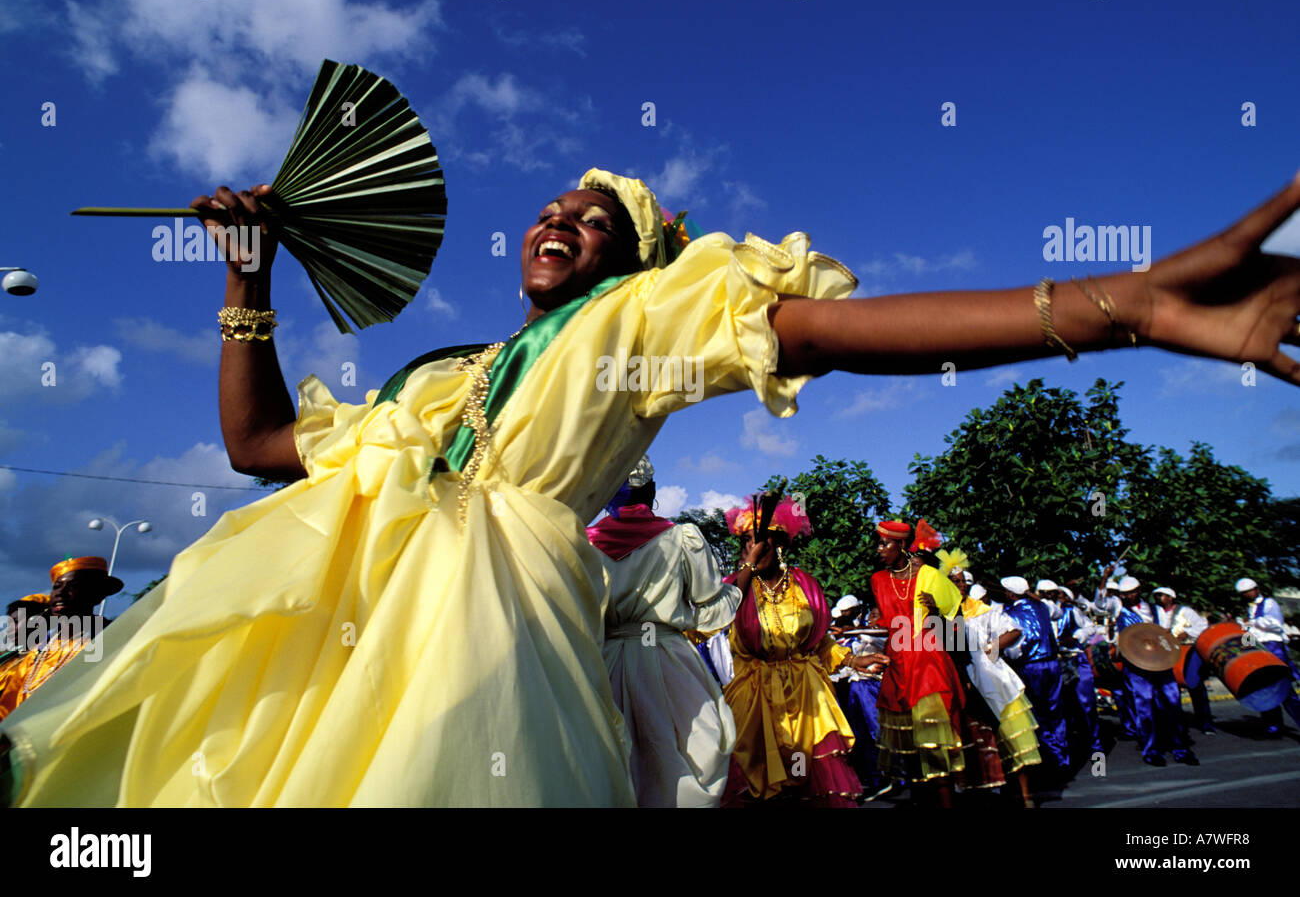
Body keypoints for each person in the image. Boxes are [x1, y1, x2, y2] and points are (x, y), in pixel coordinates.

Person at [4, 163, 1300, 807]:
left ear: (634, 260)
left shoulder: (627, 332)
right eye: (551, 205)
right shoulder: (439, 385)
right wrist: (245, 276)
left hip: (486, 671)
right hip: (328, 668)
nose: (559, 218)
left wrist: (1112, 304)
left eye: (597, 217)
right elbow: (255, 448)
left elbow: (835, 334)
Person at [586, 456, 741, 807]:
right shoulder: (681, 537)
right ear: (652, 491)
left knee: (615, 756)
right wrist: (742, 576)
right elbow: (708, 609)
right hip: (667, 657)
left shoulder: (586, 544)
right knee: (687, 751)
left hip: (605, 660)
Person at [720, 498, 874, 807]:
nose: (753, 549)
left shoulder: (805, 585)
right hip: (755, 700)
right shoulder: (736, 588)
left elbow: (820, 641)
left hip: (806, 695)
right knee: (760, 784)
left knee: (808, 778)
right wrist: (748, 568)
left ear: (777, 545)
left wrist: (854, 659)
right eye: (747, 543)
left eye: (759, 541)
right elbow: (713, 616)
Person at [871, 520, 967, 807]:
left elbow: (955, 626)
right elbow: (887, 626)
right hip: (898, 665)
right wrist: (849, 632)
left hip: (927, 665)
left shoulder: (930, 576)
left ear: (900, 545)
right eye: (878, 543)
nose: (879, 550)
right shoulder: (878, 580)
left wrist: (935, 611)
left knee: (935, 746)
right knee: (909, 750)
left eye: (884, 543)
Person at [0, 560, 118, 722]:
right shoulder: (38, 652)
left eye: (73, 585)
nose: (60, 593)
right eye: (57, 587)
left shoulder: (110, 638)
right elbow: (8, 707)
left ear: (97, 594)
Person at [958, 580, 1040, 806]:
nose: (959, 586)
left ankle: (1026, 797)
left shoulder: (983, 611)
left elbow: (1014, 631)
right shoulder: (941, 615)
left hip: (992, 678)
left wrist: (989, 650)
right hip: (963, 681)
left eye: (961, 581)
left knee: (1012, 737)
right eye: (953, 582)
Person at [1115, 577, 1198, 766]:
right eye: (1125, 594)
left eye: (1133, 592)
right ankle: (1151, 750)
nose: (1129, 596)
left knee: (1172, 702)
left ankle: (1181, 749)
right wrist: (1104, 580)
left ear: (1140, 590)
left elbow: (1165, 633)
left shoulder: (1156, 610)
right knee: (1144, 706)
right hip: (1136, 664)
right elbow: (1100, 604)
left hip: (1159, 661)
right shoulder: (1118, 609)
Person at [1001, 577, 1070, 777]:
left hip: (1031, 667)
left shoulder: (1011, 614)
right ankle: (1063, 757)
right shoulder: (1044, 607)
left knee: (1038, 713)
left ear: (1012, 594)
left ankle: (1052, 758)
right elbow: (1057, 612)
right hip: (1053, 663)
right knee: (1055, 711)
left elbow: (1019, 647)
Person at [830, 595, 888, 794]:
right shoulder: (849, 635)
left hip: (872, 686)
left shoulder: (877, 634)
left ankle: (892, 776)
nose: (872, 619)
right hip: (855, 687)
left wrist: (854, 631)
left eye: (876, 615)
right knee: (860, 734)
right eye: (871, 615)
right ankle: (873, 778)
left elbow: (873, 639)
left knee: (878, 731)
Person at [1235, 578, 1300, 734]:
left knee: (1283, 688)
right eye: (1244, 593)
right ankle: (1273, 724)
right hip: (1256, 650)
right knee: (1263, 688)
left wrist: (1253, 622)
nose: (1247, 595)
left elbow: (1276, 624)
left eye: (1249, 592)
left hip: (1272, 647)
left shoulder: (1269, 603)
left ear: (1256, 589)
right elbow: (1247, 633)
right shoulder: (1246, 609)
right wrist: (1246, 647)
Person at [1152, 586, 1213, 734]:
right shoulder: (1155, 613)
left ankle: (1206, 723)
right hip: (1167, 654)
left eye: (1162, 596)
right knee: (1170, 689)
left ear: (1170, 598)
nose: (1159, 598)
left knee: (1195, 686)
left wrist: (1187, 633)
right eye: (1157, 596)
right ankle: (1177, 725)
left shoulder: (1184, 611)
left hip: (1187, 652)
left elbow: (1202, 626)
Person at [1054, 587, 1106, 756]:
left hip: (1075, 659)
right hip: (1054, 661)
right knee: (1060, 706)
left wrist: (1075, 638)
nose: (1055, 597)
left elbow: (1091, 628)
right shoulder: (1042, 612)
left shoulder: (1072, 611)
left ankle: (1095, 745)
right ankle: (1065, 748)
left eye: (1059, 593)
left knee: (1086, 703)